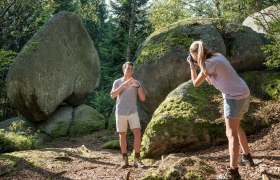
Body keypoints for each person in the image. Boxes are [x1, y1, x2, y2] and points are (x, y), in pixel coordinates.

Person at [187, 41, 254, 180]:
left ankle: (233, 172)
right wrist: (198, 64)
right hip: (243, 92)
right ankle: (247, 157)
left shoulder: (209, 64)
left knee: (231, 133)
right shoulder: (217, 56)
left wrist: (192, 66)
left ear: (195, 54)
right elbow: (210, 75)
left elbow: (195, 83)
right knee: (236, 127)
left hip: (234, 97)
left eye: (192, 54)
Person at [110, 61, 146, 168]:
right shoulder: (117, 82)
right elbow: (112, 95)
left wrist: (138, 87)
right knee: (122, 135)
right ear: (123, 70)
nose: (130, 70)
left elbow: (143, 98)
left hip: (133, 112)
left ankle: (137, 160)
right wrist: (122, 86)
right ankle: (124, 160)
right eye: (128, 68)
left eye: (131, 69)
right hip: (120, 112)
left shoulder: (137, 82)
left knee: (138, 133)